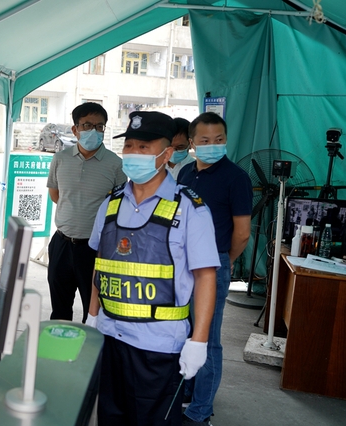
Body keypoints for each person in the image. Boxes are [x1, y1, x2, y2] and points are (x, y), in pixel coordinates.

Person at [87, 111, 219, 426]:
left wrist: (199, 341)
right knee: (110, 419)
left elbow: (205, 277)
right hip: (109, 337)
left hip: (158, 346)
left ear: (167, 153)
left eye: (144, 147)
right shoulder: (111, 203)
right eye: (129, 145)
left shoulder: (190, 209)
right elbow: (100, 264)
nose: (134, 153)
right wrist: (92, 317)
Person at [178, 112, 252, 425]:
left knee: (207, 338)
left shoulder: (236, 178)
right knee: (183, 331)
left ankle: (200, 411)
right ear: (192, 143)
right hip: (181, 266)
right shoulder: (185, 172)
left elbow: (242, 232)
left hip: (211, 266)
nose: (212, 145)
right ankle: (186, 390)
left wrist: (226, 259)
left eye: (218, 140)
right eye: (205, 140)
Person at [46, 102, 127, 323]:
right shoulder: (60, 159)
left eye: (99, 126)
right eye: (87, 125)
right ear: (75, 129)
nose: (94, 131)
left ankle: (88, 346)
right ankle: (60, 343)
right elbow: (56, 195)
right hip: (62, 244)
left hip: (95, 249)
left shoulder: (115, 164)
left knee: (93, 312)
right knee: (59, 309)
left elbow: (119, 207)